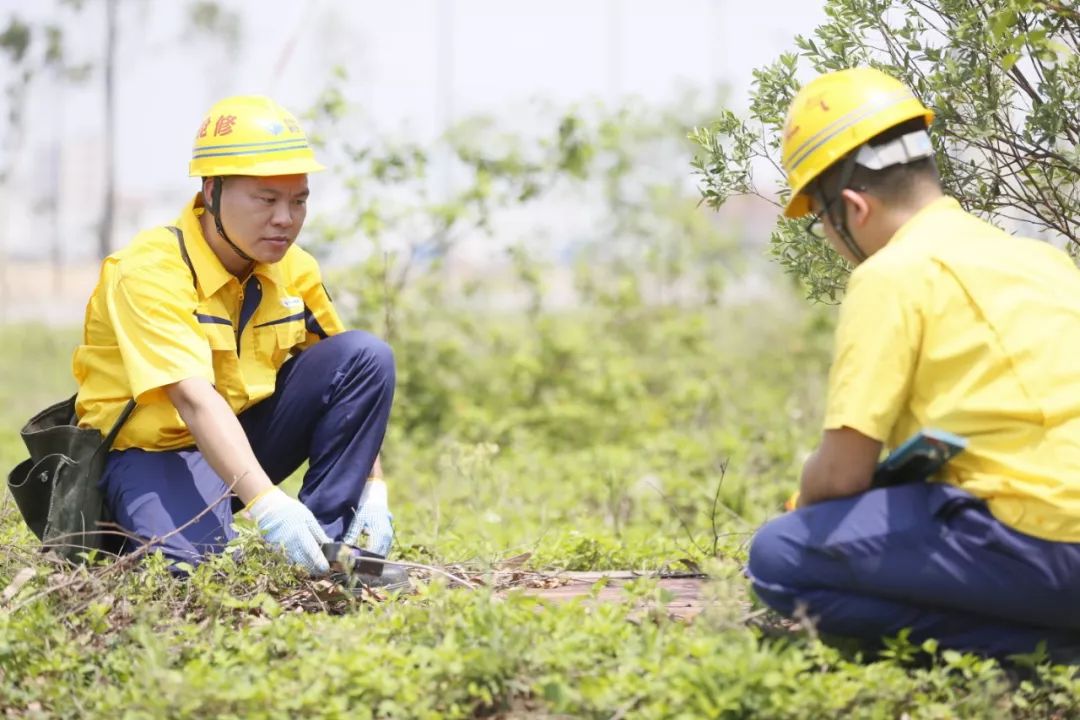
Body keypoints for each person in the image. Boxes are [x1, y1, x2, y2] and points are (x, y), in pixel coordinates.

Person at [746, 67, 1080, 661]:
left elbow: (844, 475)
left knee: (778, 556)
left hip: (1043, 548)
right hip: (1052, 543)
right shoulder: (1042, 260)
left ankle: (1038, 649)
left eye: (821, 219)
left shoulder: (890, 275)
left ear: (852, 206)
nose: (828, 233)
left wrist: (805, 494)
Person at [73, 95, 396, 576]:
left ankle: (328, 550)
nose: (285, 218)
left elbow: (351, 378)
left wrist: (374, 486)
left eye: (298, 200)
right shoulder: (149, 271)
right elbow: (194, 399)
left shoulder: (294, 268)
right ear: (210, 192)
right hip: (151, 452)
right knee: (194, 571)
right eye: (266, 199)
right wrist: (268, 507)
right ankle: (142, 526)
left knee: (365, 355)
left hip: (239, 434)